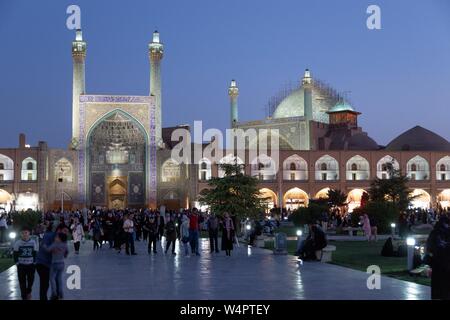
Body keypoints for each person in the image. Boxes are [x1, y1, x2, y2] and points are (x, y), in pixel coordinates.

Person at [425, 215, 450, 300]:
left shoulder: (435, 233)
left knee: (437, 286)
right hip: (445, 264)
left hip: (437, 263)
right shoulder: (446, 232)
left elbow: (429, 247)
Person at [13, 226, 38, 300]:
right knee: (22, 282)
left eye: (26, 233)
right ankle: (24, 296)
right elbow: (15, 254)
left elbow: (35, 253)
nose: (24, 234)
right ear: (21, 234)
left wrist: (34, 262)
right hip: (21, 266)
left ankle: (29, 291)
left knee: (31, 280)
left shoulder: (33, 242)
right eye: (23, 233)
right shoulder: (18, 243)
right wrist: (17, 263)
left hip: (30, 265)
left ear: (29, 233)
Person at [45, 232, 68, 300]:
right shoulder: (65, 245)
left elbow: (48, 250)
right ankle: (61, 292)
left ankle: (54, 292)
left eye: (56, 237)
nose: (55, 238)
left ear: (59, 239)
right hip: (61, 263)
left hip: (54, 263)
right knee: (59, 278)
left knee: (52, 278)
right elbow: (66, 254)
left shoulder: (54, 244)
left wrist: (44, 246)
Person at [35, 222, 55, 300]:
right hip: (42, 263)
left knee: (45, 283)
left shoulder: (50, 235)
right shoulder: (49, 235)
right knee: (45, 283)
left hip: (45, 263)